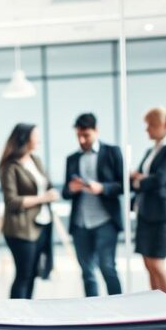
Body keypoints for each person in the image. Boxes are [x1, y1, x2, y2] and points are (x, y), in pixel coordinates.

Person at [62, 113, 124, 297]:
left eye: (86, 135)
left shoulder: (112, 152)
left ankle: (120, 309)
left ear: (96, 131)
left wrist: (102, 188)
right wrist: (71, 189)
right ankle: (93, 312)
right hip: (80, 223)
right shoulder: (72, 159)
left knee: (107, 268)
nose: (82, 140)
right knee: (87, 272)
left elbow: (123, 185)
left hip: (105, 220)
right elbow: (65, 192)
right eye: (78, 136)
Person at [0, 123, 59, 299]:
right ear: (24, 138)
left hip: (42, 225)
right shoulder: (9, 166)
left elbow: (45, 185)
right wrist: (43, 198)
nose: (39, 139)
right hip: (20, 229)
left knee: (33, 273)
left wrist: (51, 193)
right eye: (35, 135)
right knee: (23, 274)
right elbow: (12, 201)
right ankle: (15, 317)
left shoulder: (36, 160)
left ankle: (27, 315)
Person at [130, 107, 166, 295]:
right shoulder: (150, 151)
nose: (147, 130)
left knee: (157, 262)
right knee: (147, 263)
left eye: (151, 125)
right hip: (145, 211)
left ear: (165, 125)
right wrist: (140, 179)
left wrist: (140, 179)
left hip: (162, 212)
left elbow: (161, 179)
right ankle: (157, 304)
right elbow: (139, 179)